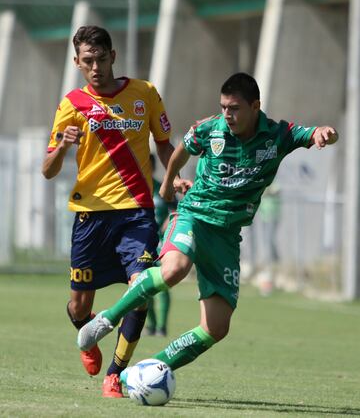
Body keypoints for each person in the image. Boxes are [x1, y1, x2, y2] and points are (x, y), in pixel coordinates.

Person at [77, 72, 338, 380]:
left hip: (226, 235)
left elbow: (314, 132)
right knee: (174, 269)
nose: (227, 114)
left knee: (216, 328)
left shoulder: (278, 135)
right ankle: (108, 318)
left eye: (235, 108)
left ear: (256, 106)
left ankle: (145, 372)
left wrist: (325, 133)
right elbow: (180, 151)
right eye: (224, 107)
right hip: (194, 215)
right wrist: (169, 184)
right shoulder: (209, 128)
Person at [42, 25, 190, 398]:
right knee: (78, 307)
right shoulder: (71, 104)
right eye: (87, 61)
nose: (96, 67)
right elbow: (48, 170)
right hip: (90, 215)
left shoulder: (145, 93)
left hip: (136, 212)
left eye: (101, 59)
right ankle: (87, 335)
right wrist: (62, 145)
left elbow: (164, 143)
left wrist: (174, 178)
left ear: (113, 56)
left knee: (140, 289)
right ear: (77, 62)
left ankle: (116, 374)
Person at [144, 154, 177, 337]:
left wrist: (168, 224)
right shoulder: (134, 189)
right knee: (143, 285)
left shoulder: (162, 189)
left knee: (163, 284)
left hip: (162, 244)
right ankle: (151, 324)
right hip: (142, 244)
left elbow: (176, 210)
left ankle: (162, 327)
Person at [257, 181, 282, 295]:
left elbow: (275, 191)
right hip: (264, 214)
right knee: (265, 242)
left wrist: (265, 191)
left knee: (269, 242)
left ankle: (272, 268)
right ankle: (267, 271)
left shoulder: (274, 179)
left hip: (272, 214)